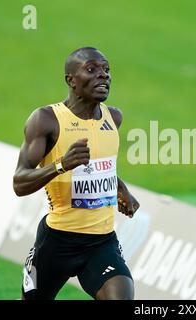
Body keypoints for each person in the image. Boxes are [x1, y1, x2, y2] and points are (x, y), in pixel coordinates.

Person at [13, 47, 140, 300]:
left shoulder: (113, 118)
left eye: (106, 69)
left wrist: (120, 188)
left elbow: (100, 167)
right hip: (57, 242)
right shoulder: (46, 120)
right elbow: (19, 182)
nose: (103, 75)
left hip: (101, 242)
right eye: (92, 69)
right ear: (70, 79)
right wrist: (61, 164)